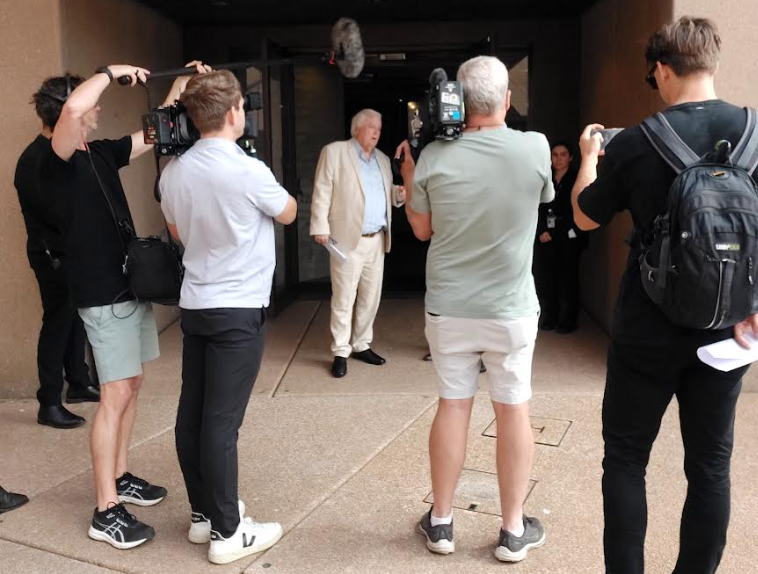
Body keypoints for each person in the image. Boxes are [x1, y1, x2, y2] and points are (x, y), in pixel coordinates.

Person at [572, 17, 758, 574]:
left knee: (626, 462)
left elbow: (583, 216)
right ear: (712, 63)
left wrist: (589, 157)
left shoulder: (637, 141)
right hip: (725, 331)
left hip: (646, 330)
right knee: (709, 467)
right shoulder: (754, 134)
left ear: (659, 69)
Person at [396, 55, 553, 562]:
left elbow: (422, 231)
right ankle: (511, 531)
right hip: (510, 307)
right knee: (513, 409)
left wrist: (410, 170)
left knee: (453, 404)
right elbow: (541, 197)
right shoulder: (535, 148)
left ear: (459, 101)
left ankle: (440, 523)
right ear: (508, 100)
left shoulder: (435, 157)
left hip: (449, 307)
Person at [41, 62, 205, 549]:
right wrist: (109, 71)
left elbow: (153, 134)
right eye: (92, 104)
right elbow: (74, 105)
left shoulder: (98, 152)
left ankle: (121, 474)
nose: (96, 111)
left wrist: (180, 86)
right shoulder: (57, 157)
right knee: (114, 394)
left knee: (131, 383)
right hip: (99, 294)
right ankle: (105, 508)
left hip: (127, 286)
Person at [160, 70, 297, 565]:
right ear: (235, 112)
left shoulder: (173, 172)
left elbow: (176, 231)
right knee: (221, 424)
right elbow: (288, 212)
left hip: (196, 303)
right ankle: (227, 531)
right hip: (238, 309)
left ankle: (203, 515)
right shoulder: (247, 170)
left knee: (192, 415)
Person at [14, 74, 101, 429]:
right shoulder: (38, 160)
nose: (96, 110)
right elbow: (57, 213)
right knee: (58, 321)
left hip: (69, 252)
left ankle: (77, 383)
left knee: (75, 318)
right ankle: (48, 401)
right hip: (53, 255)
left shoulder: (54, 154)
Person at [310, 109, 406, 378]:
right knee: (344, 298)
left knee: (370, 297)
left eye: (379, 127)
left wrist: (400, 194)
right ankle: (340, 350)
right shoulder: (335, 152)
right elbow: (322, 190)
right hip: (346, 240)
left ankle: (361, 344)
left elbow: (388, 196)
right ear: (357, 129)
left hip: (376, 239)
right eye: (371, 126)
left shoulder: (384, 160)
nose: (376, 131)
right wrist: (319, 226)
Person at [534, 141, 588, 333]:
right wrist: (541, 230)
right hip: (547, 235)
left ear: (570, 157)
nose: (558, 159)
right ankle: (550, 317)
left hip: (571, 235)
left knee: (568, 279)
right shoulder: (544, 178)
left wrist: (574, 232)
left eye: (563, 154)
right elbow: (535, 207)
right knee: (547, 278)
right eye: (554, 155)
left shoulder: (577, 178)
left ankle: (568, 320)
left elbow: (583, 207)